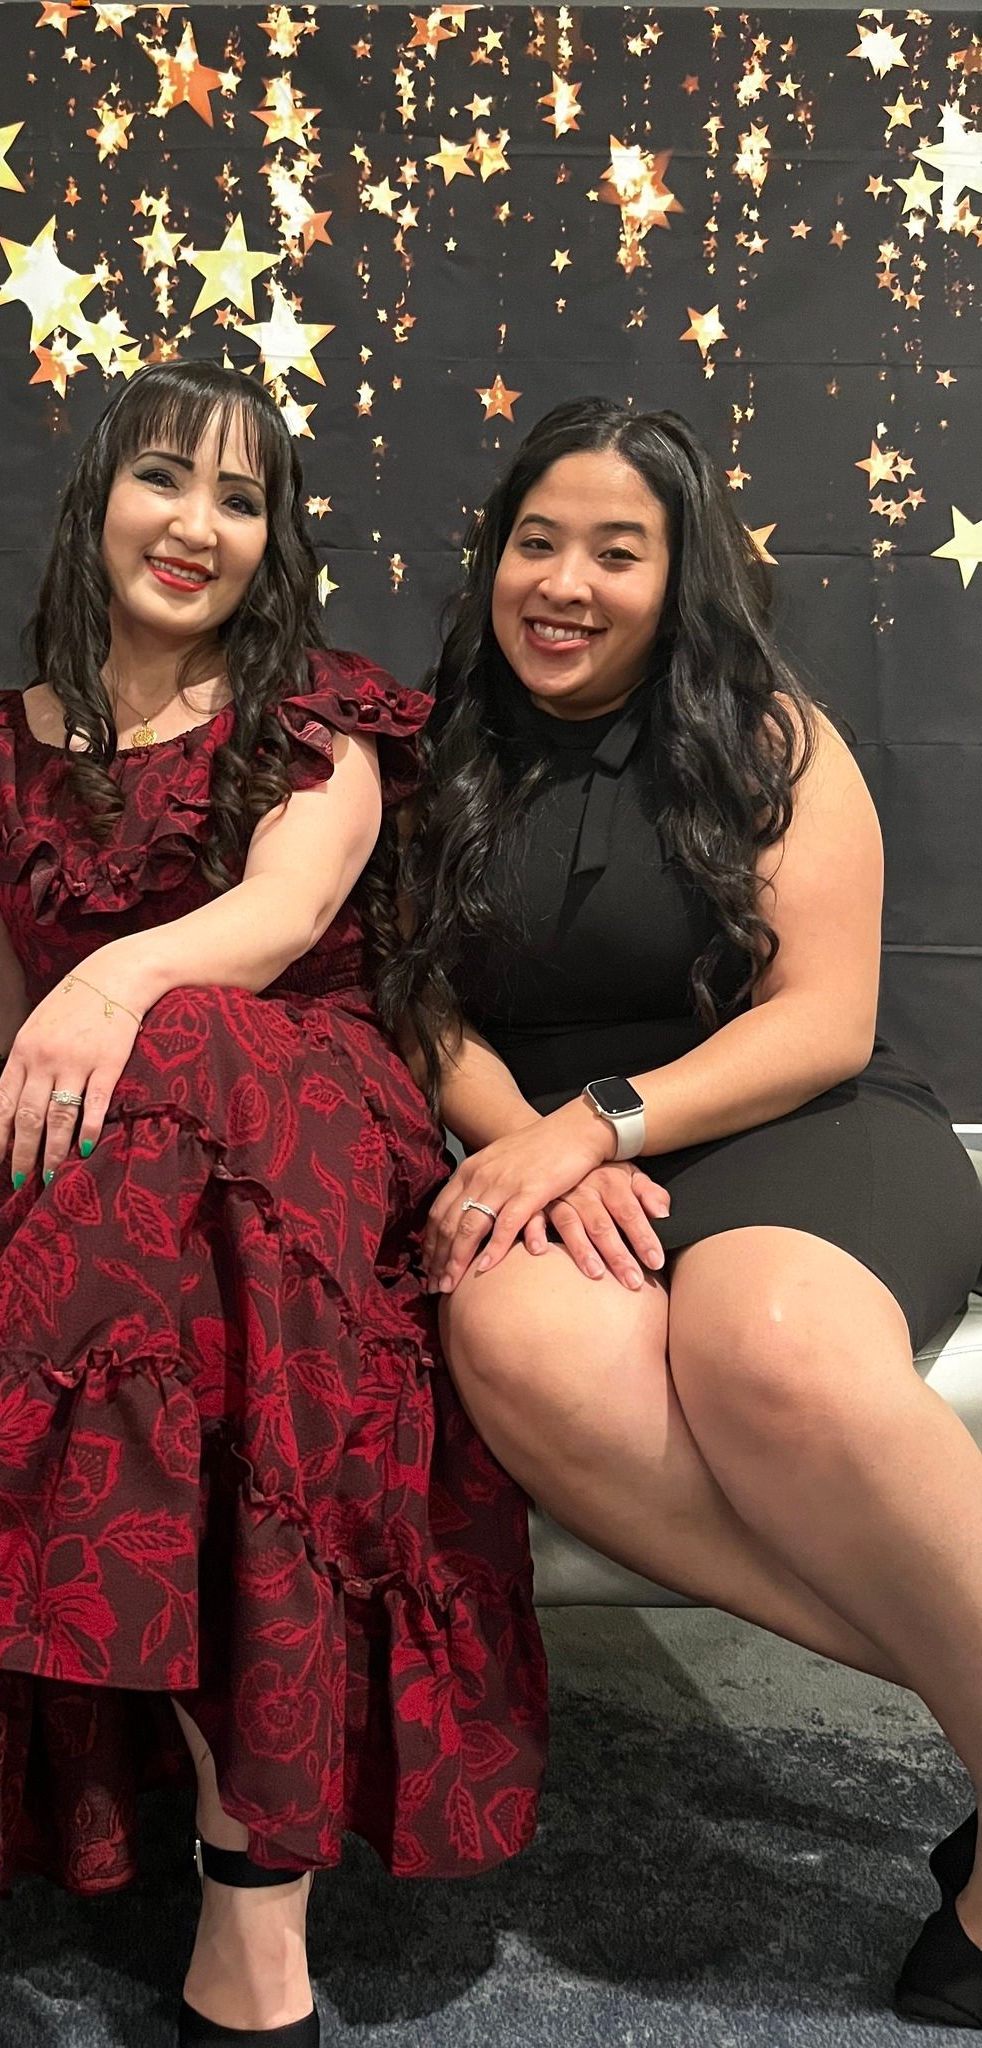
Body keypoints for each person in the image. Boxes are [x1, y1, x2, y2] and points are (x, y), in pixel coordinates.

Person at [0, 360, 548, 2045]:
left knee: (206, 1033)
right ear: (98, 503)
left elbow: (280, 924)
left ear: (275, 541)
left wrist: (118, 989)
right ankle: (251, 1936)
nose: (196, 526)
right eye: (165, 480)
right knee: (189, 1325)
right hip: (108, 1195)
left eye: (241, 499)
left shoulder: (319, 716)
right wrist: (33, 1107)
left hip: (317, 1144)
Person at [378, 396, 982, 2023]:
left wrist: (601, 1129)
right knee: (508, 1332)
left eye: (616, 550)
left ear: (680, 574)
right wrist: (532, 1148)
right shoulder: (434, 749)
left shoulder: (767, 735)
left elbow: (823, 1020)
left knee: (771, 1346)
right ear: (493, 558)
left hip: (797, 1120)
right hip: (555, 1141)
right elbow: (421, 1002)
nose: (564, 582)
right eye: (537, 541)